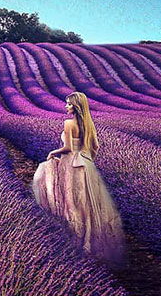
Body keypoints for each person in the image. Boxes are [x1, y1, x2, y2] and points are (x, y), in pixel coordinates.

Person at [31, 91, 125, 265]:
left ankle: (73, 242)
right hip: (86, 164)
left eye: (68, 104)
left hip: (70, 164)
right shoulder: (88, 124)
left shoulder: (68, 123)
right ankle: (89, 243)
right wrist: (87, 161)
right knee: (87, 205)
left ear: (75, 106)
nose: (66, 107)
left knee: (69, 202)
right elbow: (95, 146)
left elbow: (67, 148)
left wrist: (53, 152)